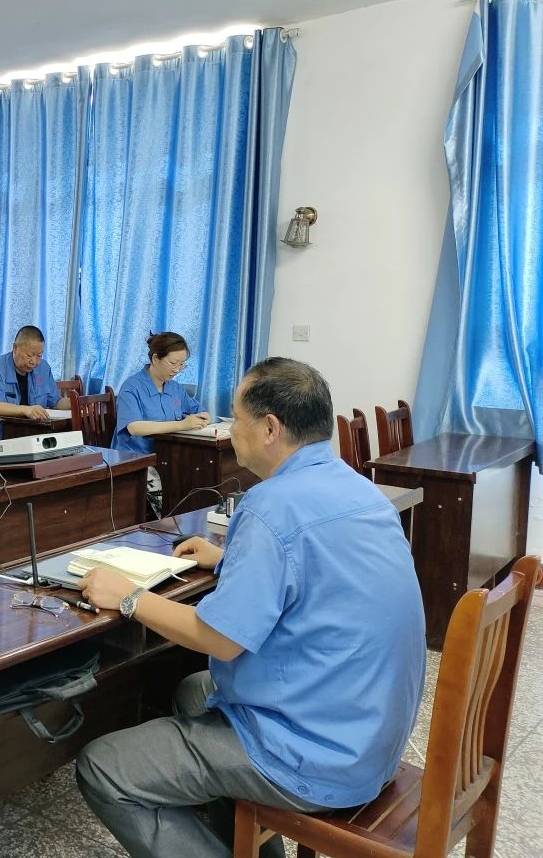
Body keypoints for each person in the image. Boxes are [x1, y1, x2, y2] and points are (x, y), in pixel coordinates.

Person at [74, 358, 426, 858]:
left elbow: (219, 639)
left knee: (103, 767)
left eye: (236, 418)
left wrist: (129, 597)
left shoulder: (271, 506)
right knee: (194, 691)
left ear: (269, 429)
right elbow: (314, 572)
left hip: (317, 756)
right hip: (370, 734)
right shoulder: (359, 489)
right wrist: (228, 559)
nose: (229, 429)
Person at [113, 331, 212, 516]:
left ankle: (188, 523)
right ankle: (163, 524)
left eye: (182, 364)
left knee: (200, 475)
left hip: (168, 457)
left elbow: (198, 409)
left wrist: (204, 416)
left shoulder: (175, 388)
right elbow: (134, 427)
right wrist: (182, 425)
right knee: (171, 489)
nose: (177, 369)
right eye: (173, 363)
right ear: (155, 358)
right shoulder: (132, 387)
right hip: (138, 459)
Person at [0, 325, 70, 436]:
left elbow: (56, 402)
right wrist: (27, 410)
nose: (34, 362)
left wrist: (74, 403)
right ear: (15, 348)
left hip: (32, 432)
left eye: (39, 356)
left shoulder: (43, 368)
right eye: (29, 355)